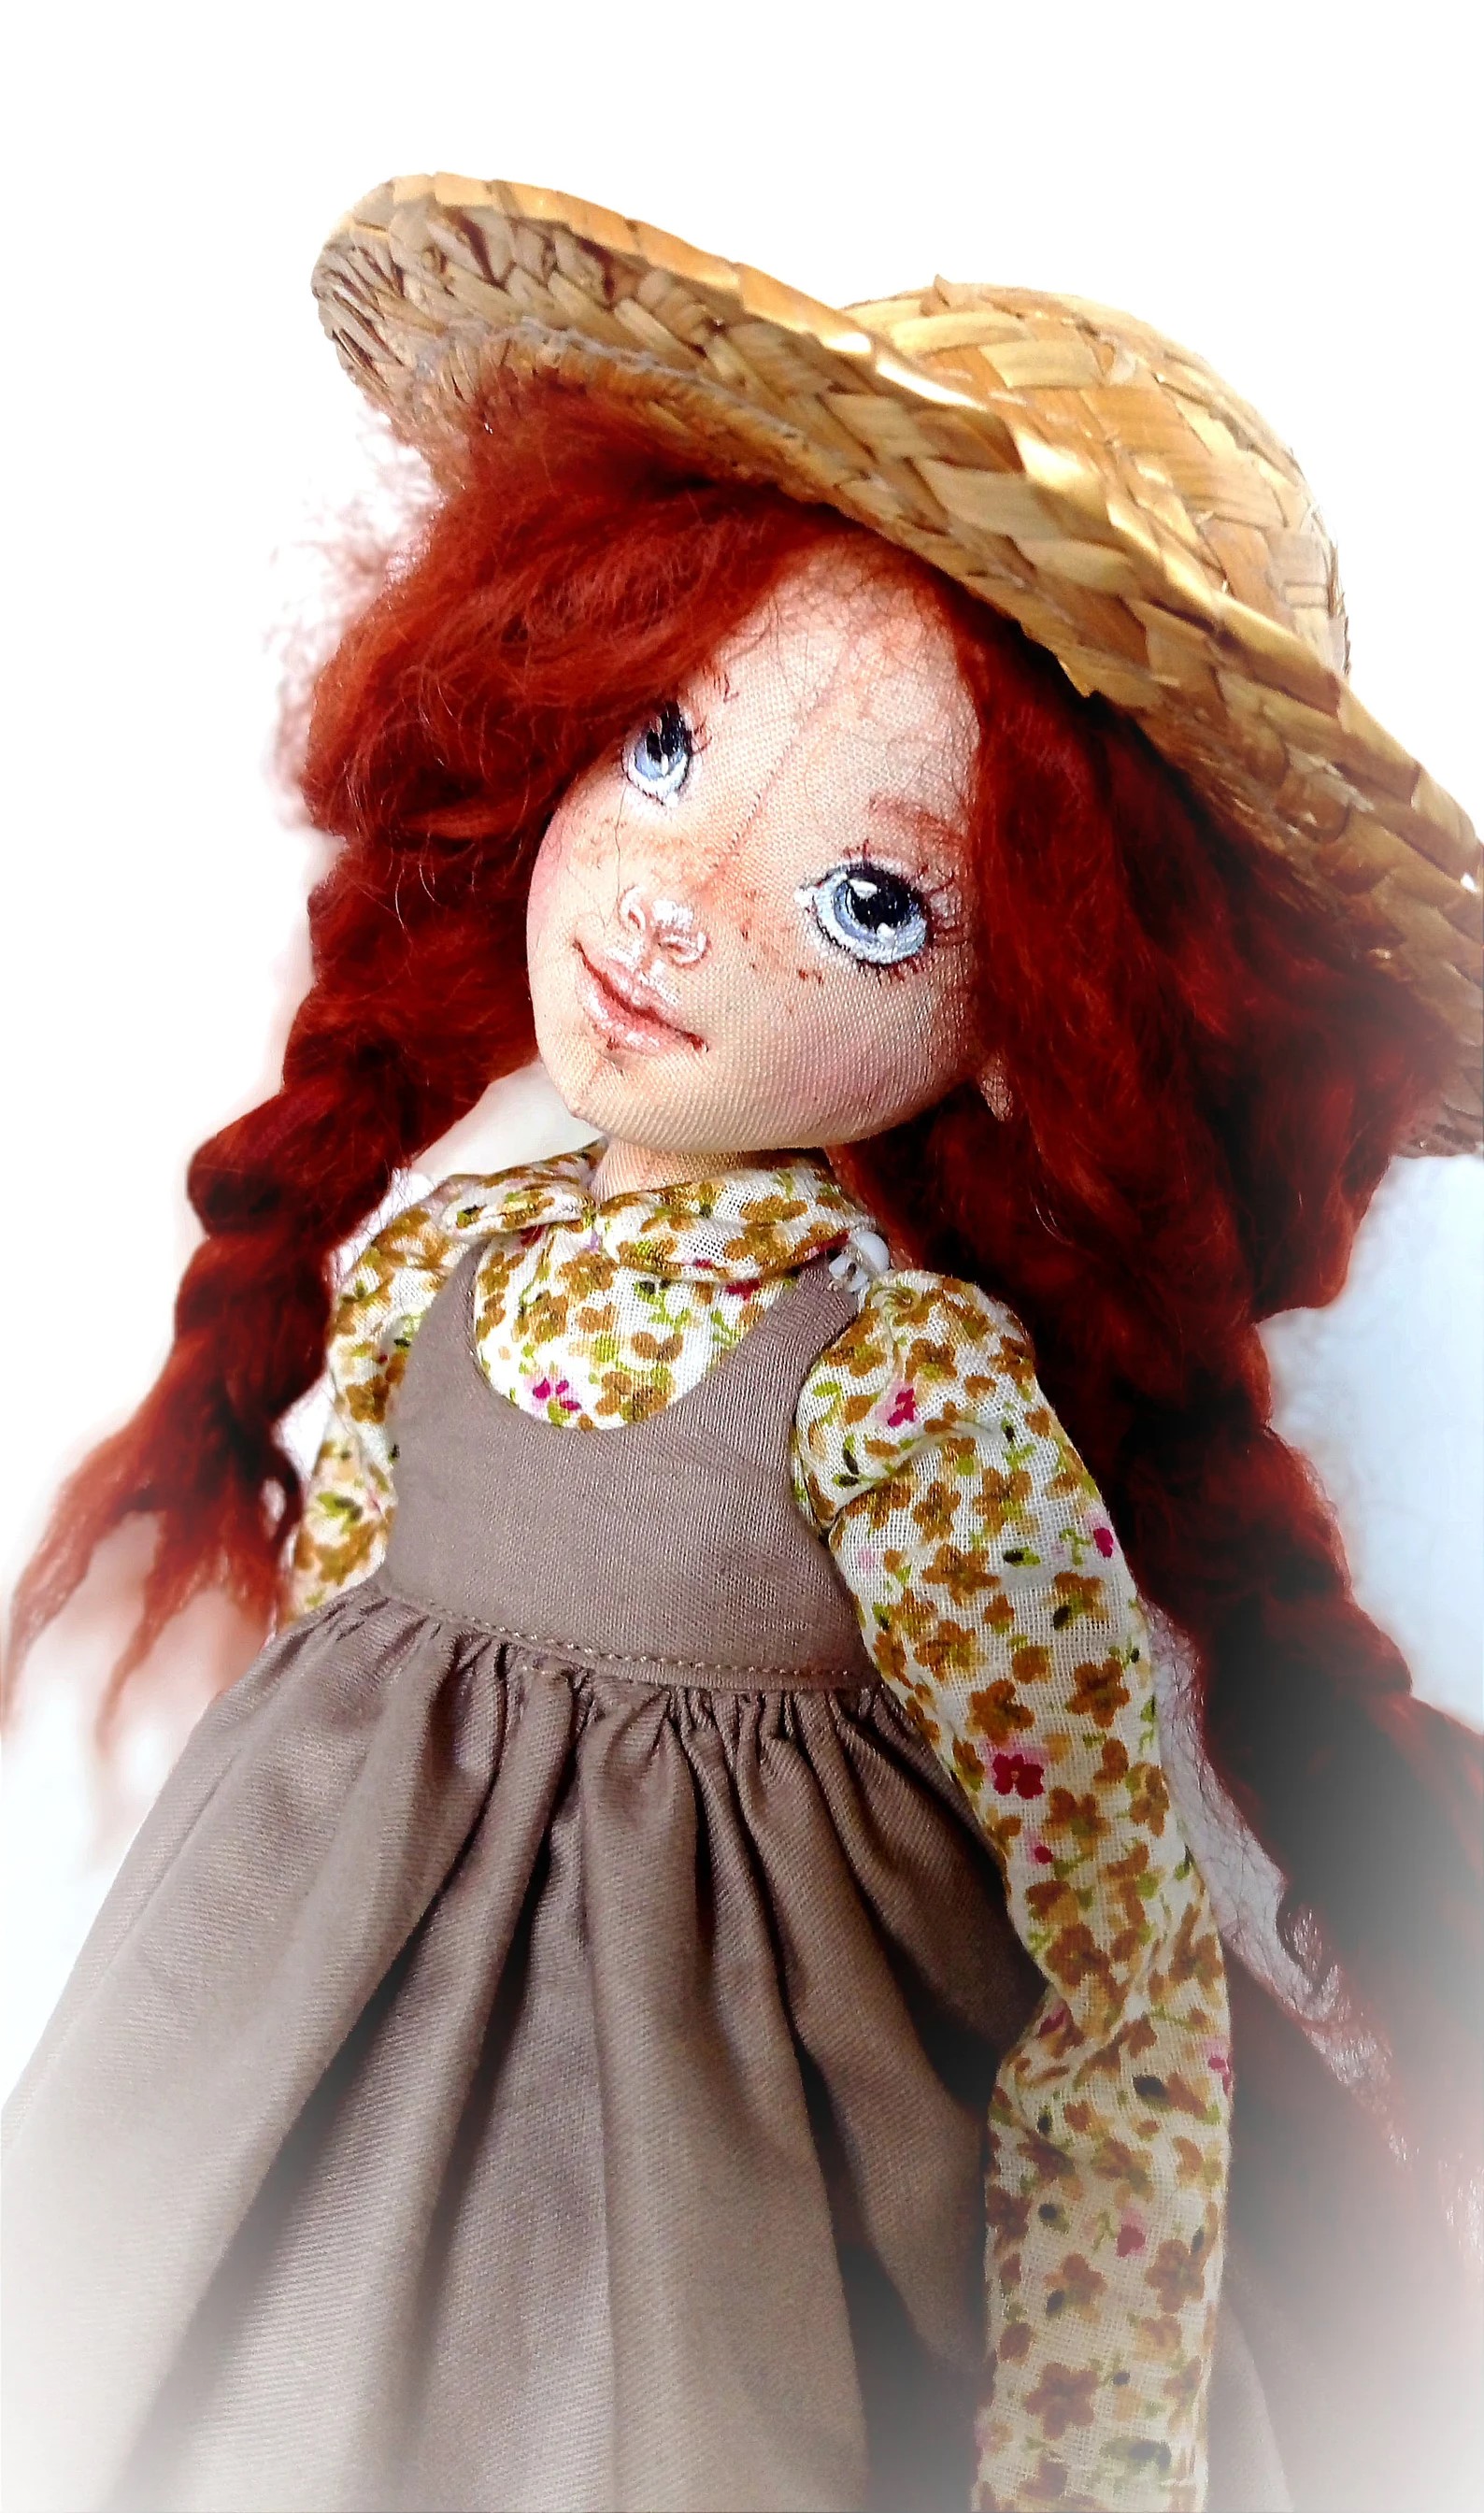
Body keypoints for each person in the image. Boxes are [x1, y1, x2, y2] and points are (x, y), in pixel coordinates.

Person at [3, 178, 1479, 2513]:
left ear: (1039, 1026)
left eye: (874, 899)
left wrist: (1080, 2435)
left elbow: (1107, 1942)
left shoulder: (899, 1389)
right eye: (666, 742)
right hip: (300, 2059)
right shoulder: (438, 1266)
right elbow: (335, 1656)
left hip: (708, 2194)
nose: (677, 902)